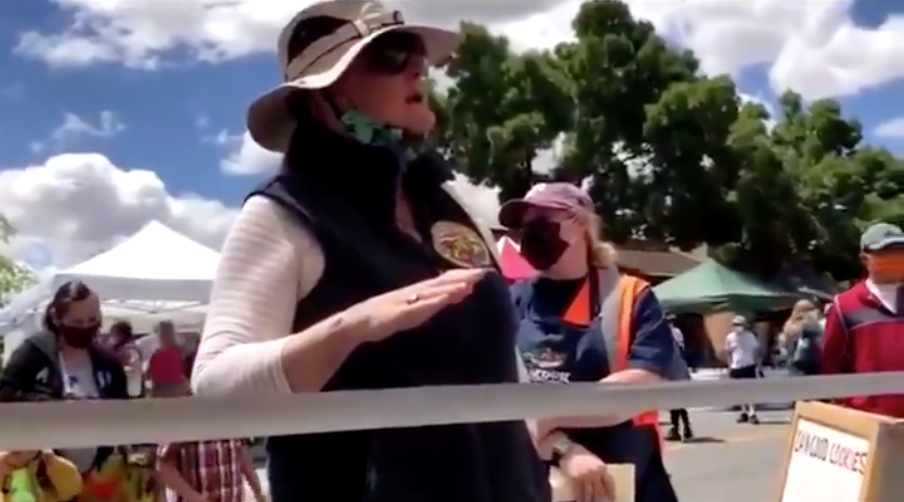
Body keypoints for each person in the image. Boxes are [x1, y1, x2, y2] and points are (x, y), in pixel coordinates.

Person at [191, 2, 549, 502]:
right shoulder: (282, 214)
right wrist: (349, 328)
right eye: (391, 54)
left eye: (418, 53)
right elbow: (214, 389)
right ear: (325, 95)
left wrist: (556, 455)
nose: (418, 66)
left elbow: (506, 368)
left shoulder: (451, 203)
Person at [502, 182, 679, 502]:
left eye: (542, 221)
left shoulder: (630, 296)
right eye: (524, 225)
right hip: (538, 482)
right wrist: (565, 449)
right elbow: (504, 400)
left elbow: (640, 386)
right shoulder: (513, 300)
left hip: (626, 482)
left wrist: (544, 416)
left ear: (581, 223)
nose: (530, 232)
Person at [0, 281, 129, 480]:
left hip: (95, 478)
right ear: (57, 318)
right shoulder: (35, 352)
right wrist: (52, 404)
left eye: (92, 319)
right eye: (77, 322)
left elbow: (122, 408)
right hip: (41, 476)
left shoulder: (108, 362)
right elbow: (6, 392)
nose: (86, 327)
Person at [822, 222, 904, 417]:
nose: (894, 260)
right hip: (871, 421)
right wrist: (852, 405)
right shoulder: (844, 306)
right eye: (884, 254)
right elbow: (831, 368)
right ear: (864, 259)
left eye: (899, 253)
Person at [156, 367, 265, 502]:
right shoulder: (182, 416)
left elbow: (241, 455)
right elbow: (165, 467)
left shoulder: (229, 412)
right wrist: (194, 497)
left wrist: (258, 492)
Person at [723, 315, 760, 424]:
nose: (737, 327)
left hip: (748, 365)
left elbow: (756, 350)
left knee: (750, 391)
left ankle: (752, 412)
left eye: (739, 324)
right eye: (735, 325)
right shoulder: (730, 337)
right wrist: (729, 365)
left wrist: (758, 364)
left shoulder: (750, 336)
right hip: (736, 367)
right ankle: (743, 412)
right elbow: (728, 352)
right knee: (739, 391)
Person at [665, 315, 693, 441]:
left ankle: (677, 429)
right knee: (680, 403)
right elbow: (682, 349)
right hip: (680, 370)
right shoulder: (677, 333)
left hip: (672, 371)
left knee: (674, 404)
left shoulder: (664, 335)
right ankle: (685, 428)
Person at [147, 321, 186, 398]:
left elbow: (150, 374)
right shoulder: (177, 351)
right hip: (175, 389)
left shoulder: (157, 354)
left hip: (161, 389)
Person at [108, 320, 144, 397]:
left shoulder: (129, 350)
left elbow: (128, 369)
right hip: (129, 391)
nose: (110, 338)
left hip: (129, 393)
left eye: (113, 335)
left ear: (121, 336)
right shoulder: (127, 349)